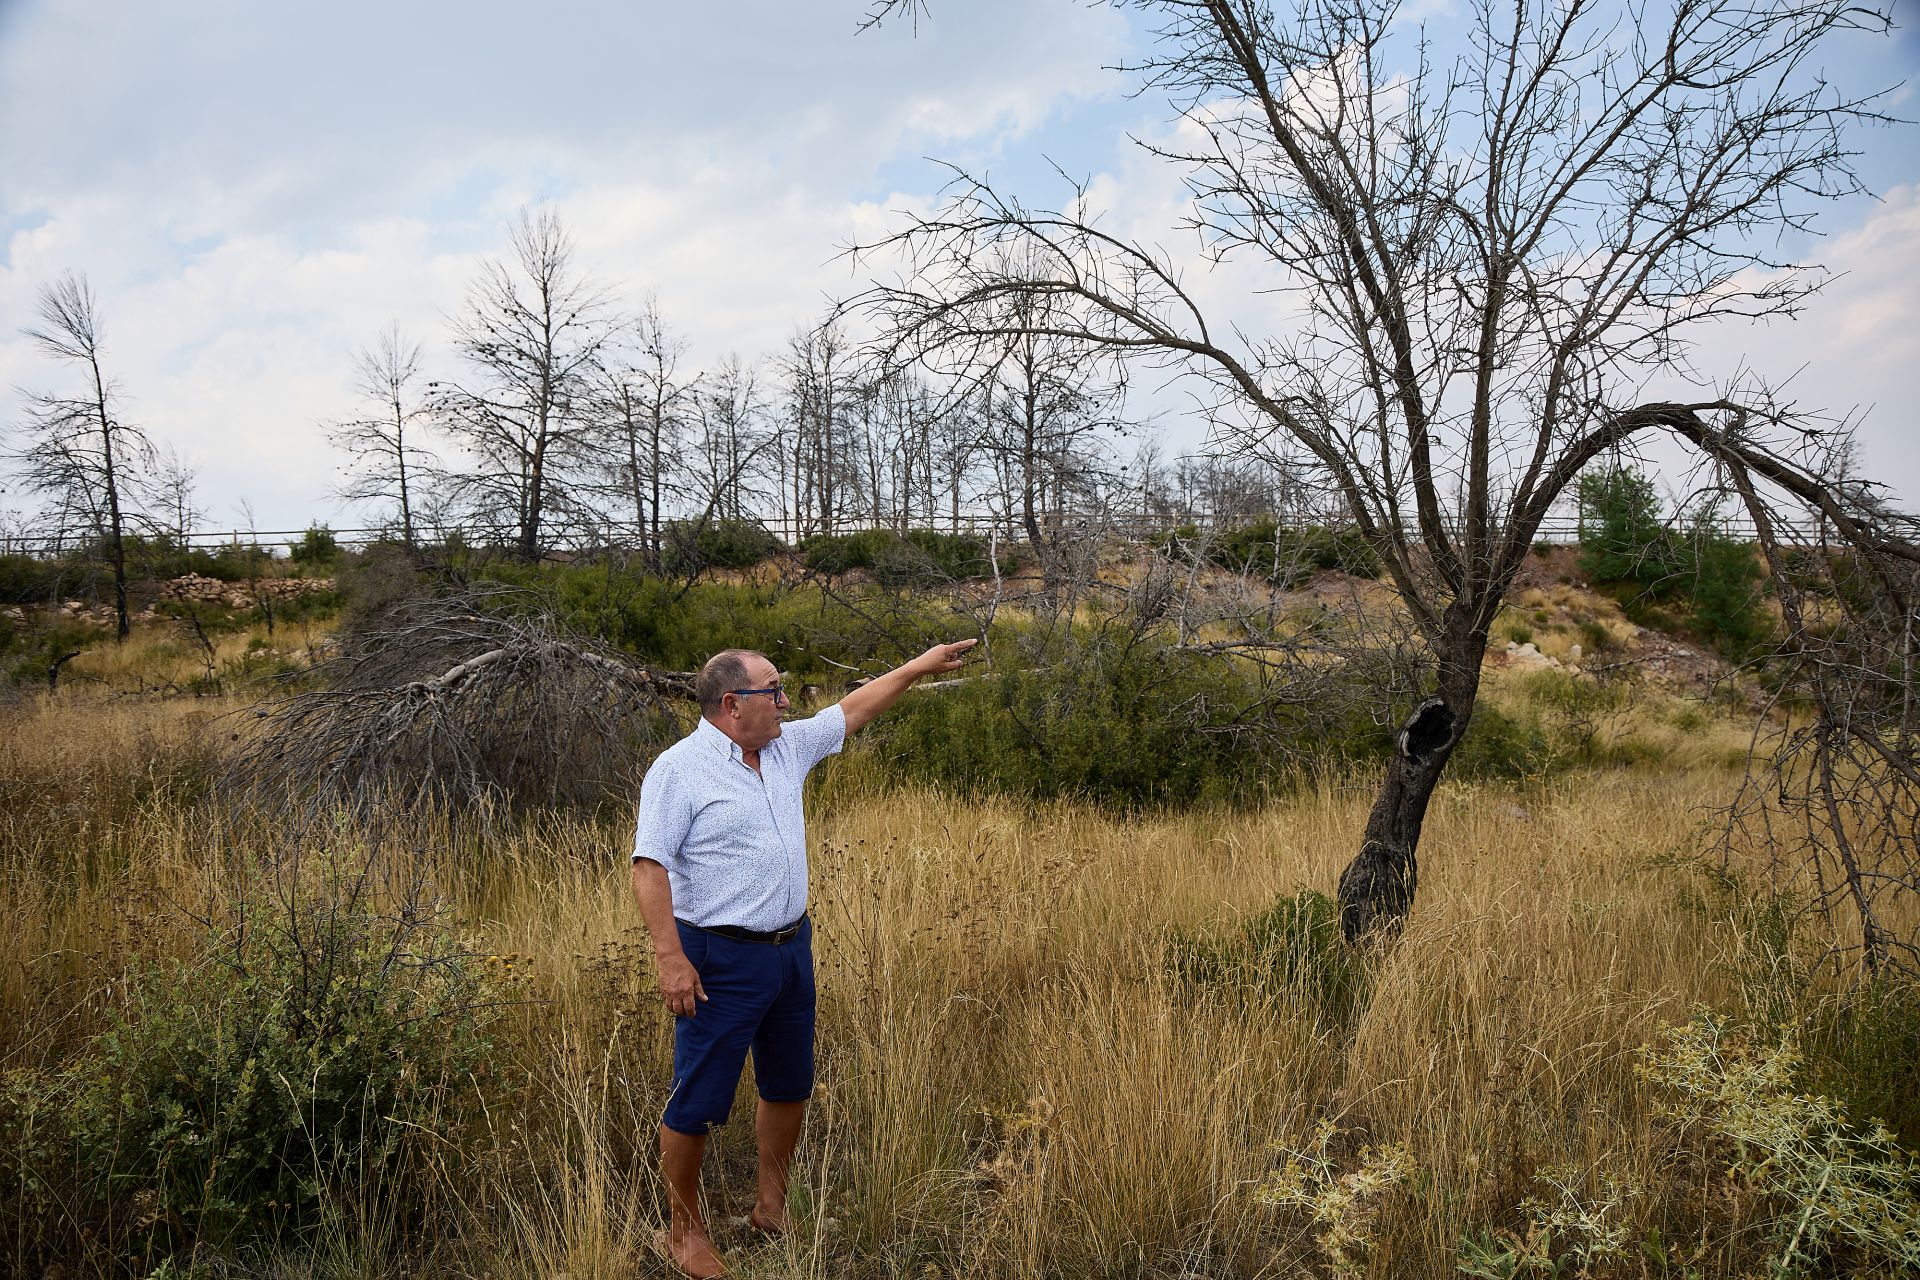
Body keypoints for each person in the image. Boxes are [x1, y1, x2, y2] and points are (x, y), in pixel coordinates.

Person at [630, 639, 977, 1278]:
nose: (787, 702)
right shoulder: (678, 771)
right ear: (732, 704)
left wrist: (917, 666)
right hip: (717, 958)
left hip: (791, 948)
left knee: (788, 1081)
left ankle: (771, 1207)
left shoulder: (784, 748)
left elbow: (852, 710)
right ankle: (683, 1233)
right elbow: (649, 867)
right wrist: (670, 959)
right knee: (698, 1098)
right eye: (775, 691)